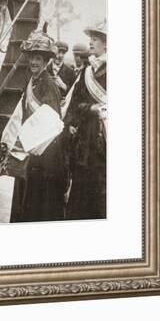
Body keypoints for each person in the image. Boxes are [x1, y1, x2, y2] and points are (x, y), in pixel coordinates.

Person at [8, 30, 67, 222]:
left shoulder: (49, 85)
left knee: (38, 201)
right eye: (32, 57)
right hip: (30, 147)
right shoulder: (32, 81)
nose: (34, 62)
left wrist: (29, 142)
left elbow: (52, 122)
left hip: (44, 152)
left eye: (38, 58)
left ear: (46, 61)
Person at [64, 20, 107, 220]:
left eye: (95, 39)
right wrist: (90, 109)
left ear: (107, 44)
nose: (90, 43)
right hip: (86, 139)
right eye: (90, 39)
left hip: (105, 140)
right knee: (81, 186)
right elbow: (75, 104)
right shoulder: (87, 71)